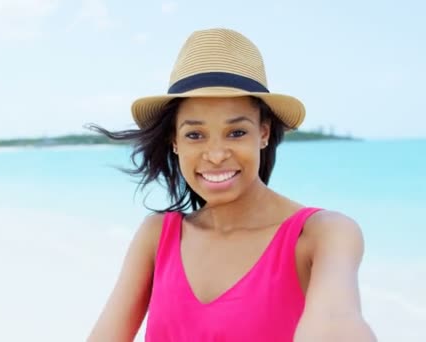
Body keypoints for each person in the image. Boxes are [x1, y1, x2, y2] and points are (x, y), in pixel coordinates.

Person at [86, 28, 376, 341]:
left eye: (236, 133)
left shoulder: (324, 234)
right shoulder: (157, 236)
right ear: (174, 142)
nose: (215, 155)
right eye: (195, 135)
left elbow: (337, 320)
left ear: (263, 133)